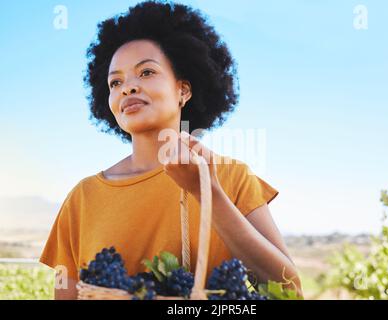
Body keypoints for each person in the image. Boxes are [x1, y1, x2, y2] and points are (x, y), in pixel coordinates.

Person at [39, 0, 303, 299]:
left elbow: (288, 289)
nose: (128, 88)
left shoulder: (232, 177)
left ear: (183, 90)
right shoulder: (82, 199)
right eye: (115, 82)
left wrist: (208, 194)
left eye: (147, 72)